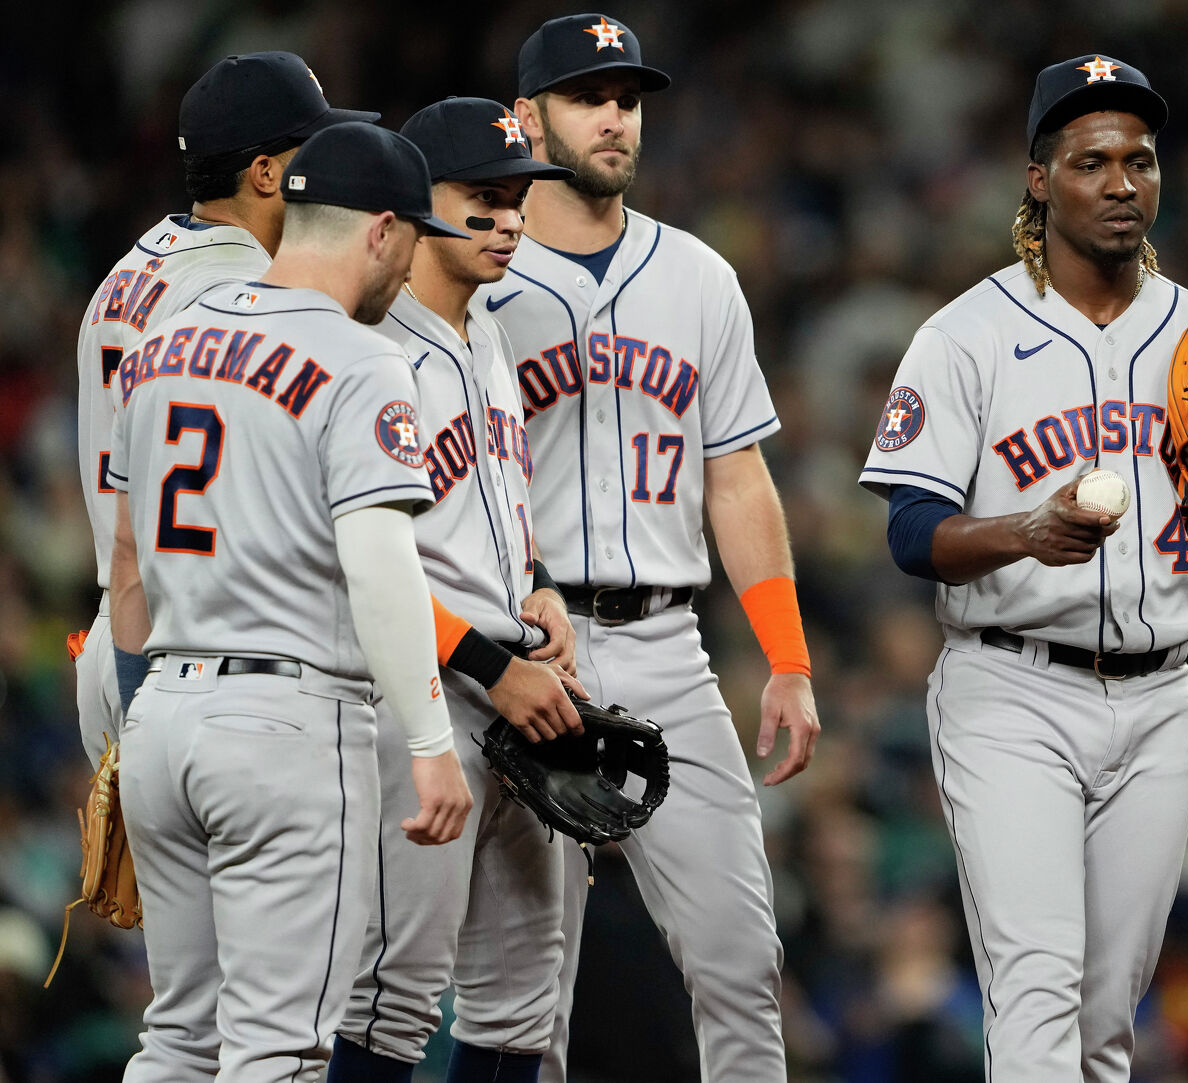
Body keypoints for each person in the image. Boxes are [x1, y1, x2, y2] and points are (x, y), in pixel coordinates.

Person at [859, 54, 1188, 1080]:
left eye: (1139, 160)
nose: (1121, 182)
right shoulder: (965, 333)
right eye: (1092, 160)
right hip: (1011, 688)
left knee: (1106, 1017)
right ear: (1040, 179)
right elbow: (910, 533)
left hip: (1154, 703)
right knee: (1037, 987)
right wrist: (1024, 532)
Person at [489, 15, 821, 1080]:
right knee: (520, 995)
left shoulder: (698, 277)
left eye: (626, 96)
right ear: (527, 116)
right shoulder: (475, 282)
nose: (615, 116)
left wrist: (787, 658)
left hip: (667, 649)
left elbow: (737, 479)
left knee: (739, 961)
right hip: (518, 654)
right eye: (588, 95)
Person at [107, 121, 474, 1081]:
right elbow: (381, 565)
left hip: (163, 712)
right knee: (282, 1050)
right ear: (383, 231)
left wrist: (126, 710)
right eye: (414, 238)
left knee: (180, 1037)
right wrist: (432, 746)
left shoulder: (165, 339)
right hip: (286, 726)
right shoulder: (363, 362)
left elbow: (127, 557)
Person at [326, 97, 591, 1083]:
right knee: (393, 995)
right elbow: (353, 563)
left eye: (519, 200)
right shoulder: (370, 350)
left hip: (510, 681)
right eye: (483, 198)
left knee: (522, 993)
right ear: (412, 200)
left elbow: (490, 515)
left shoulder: (484, 333)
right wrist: (486, 663)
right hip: (415, 696)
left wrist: (541, 587)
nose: (509, 221)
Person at [75, 50, 375, 758]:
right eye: (312, 146)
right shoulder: (247, 290)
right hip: (201, 655)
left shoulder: (129, 269)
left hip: (122, 630)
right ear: (265, 172)